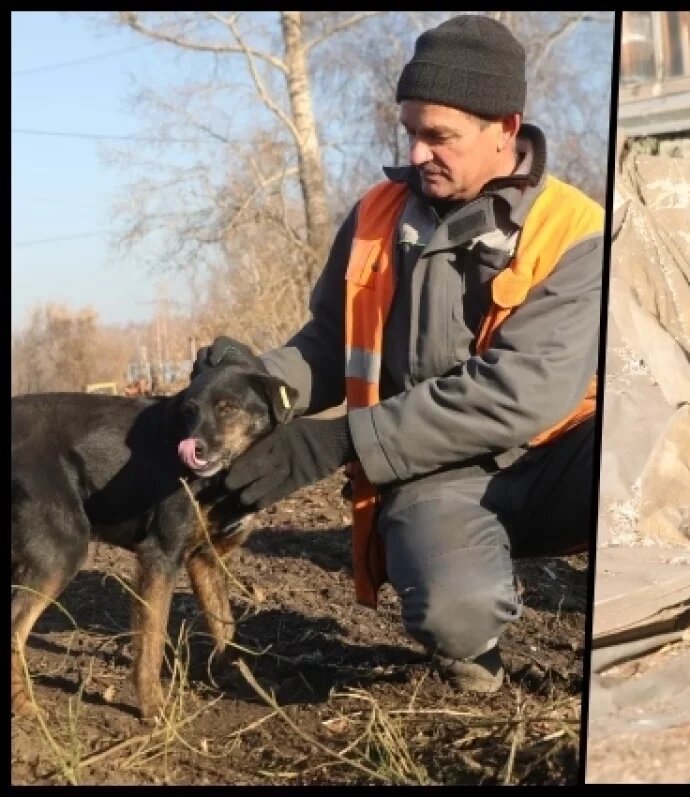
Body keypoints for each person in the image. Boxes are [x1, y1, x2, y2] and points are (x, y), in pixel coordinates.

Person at [192, 15, 604, 692]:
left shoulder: (577, 230)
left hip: (562, 454)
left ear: (505, 126)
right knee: (455, 608)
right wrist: (251, 384)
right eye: (410, 131)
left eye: (438, 136)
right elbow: (328, 343)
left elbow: (520, 392)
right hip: (437, 465)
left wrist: (342, 440)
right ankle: (473, 641)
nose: (416, 153)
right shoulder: (376, 215)